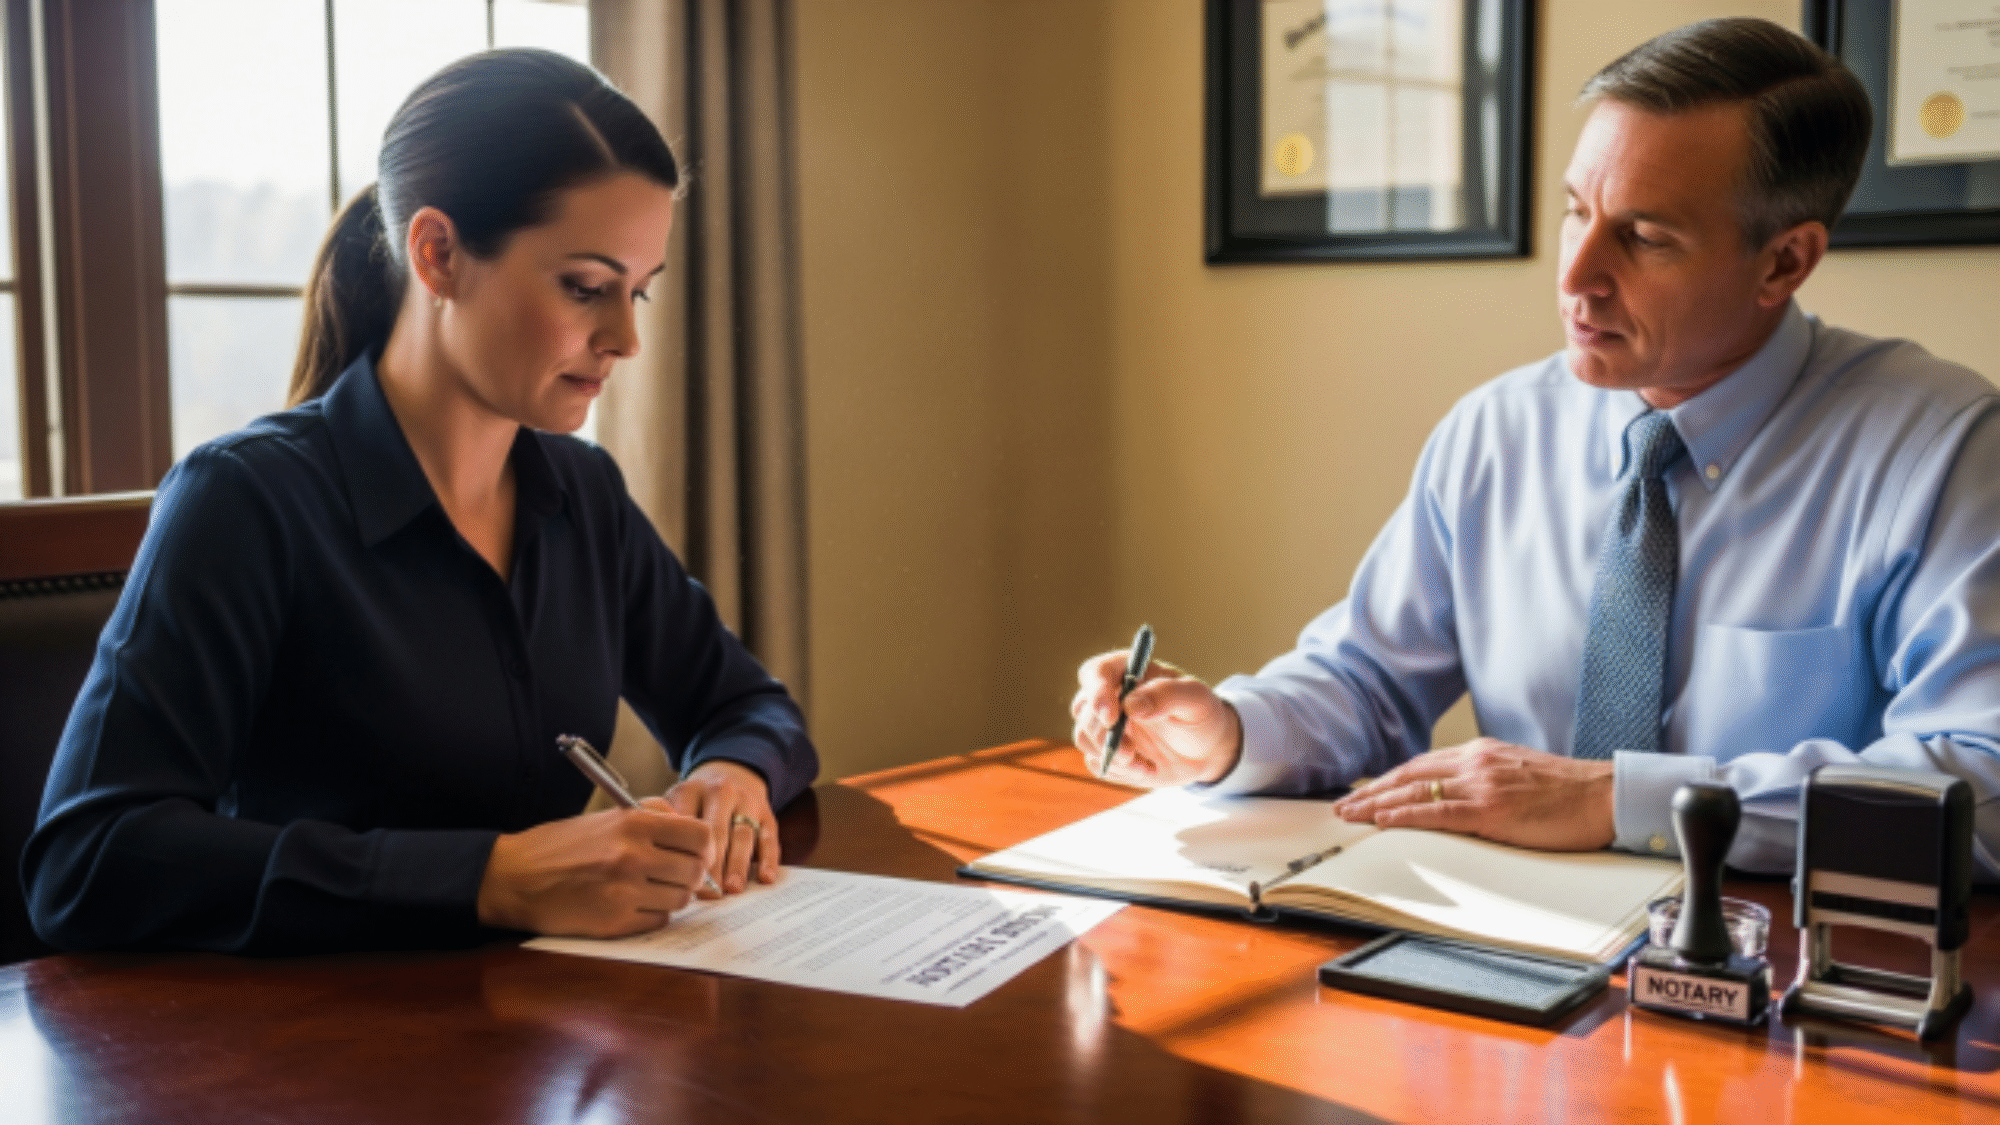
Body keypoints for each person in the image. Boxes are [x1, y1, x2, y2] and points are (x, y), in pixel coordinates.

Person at [1072, 19, 2000, 877]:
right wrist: (1230, 732)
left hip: (1773, 963)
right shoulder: (1496, 432)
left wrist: (1616, 800)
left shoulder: (1942, 453)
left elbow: (1982, 784)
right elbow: (1366, 679)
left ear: (1784, 261)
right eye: (1575, 210)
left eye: (1644, 236)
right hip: (1503, 949)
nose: (1577, 275)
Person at [24, 49, 817, 954]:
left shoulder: (583, 493)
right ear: (438, 254)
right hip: (311, 1031)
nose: (626, 338)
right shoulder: (245, 500)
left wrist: (733, 770)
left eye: (637, 291)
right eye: (586, 288)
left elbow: (750, 706)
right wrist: (491, 877)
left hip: (536, 1021)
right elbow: (87, 861)